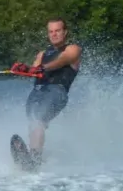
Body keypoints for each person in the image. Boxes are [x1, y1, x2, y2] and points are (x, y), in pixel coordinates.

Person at [23, 18, 81, 162]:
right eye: (51, 31)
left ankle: (35, 157)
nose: (54, 34)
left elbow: (65, 59)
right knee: (33, 122)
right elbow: (34, 70)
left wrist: (43, 67)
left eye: (57, 31)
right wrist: (23, 69)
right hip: (37, 91)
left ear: (65, 32)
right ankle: (32, 155)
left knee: (38, 120)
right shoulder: (42, 54)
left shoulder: (73, 49)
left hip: (56, 92)